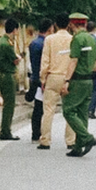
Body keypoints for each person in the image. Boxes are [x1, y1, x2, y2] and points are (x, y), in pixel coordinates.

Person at [61, 13, 96, 157]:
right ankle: (78, 147)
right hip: (89, 80)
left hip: (78, 81)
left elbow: (73, 61)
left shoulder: (78, 39)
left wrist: (66, 81)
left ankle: (87, 138)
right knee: (82, 113)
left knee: (68, 110)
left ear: (72, 24)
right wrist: (92, 67)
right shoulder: (92, 39)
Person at [38, 12, 77, 150]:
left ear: (55, 24)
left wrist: (43, 78)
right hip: (68, 77)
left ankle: (45, 140)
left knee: (48, 110)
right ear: (69, 24)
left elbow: (45, 61)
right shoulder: (73, 39)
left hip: (53, 77)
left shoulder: (49, 40)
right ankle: (70, 141)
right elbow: (75, 60)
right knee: (70, 110)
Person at [28, 18, 53, 142]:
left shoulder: (33, 43)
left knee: (38, 107)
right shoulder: (45, 44)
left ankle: (35, 132)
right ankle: (37, 133)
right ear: (49, 29)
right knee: (41, 108)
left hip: (35, 77)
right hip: (42, 78)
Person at [0, 18, 22, 141]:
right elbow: (15, 60)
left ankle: (6, 130)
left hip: (3, 74)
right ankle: (6, 131)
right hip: (7, 75)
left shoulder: (1, 40)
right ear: (15, 29)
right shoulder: (7, 44)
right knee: (9, 105)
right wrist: (20, 57)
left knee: (7, 103)